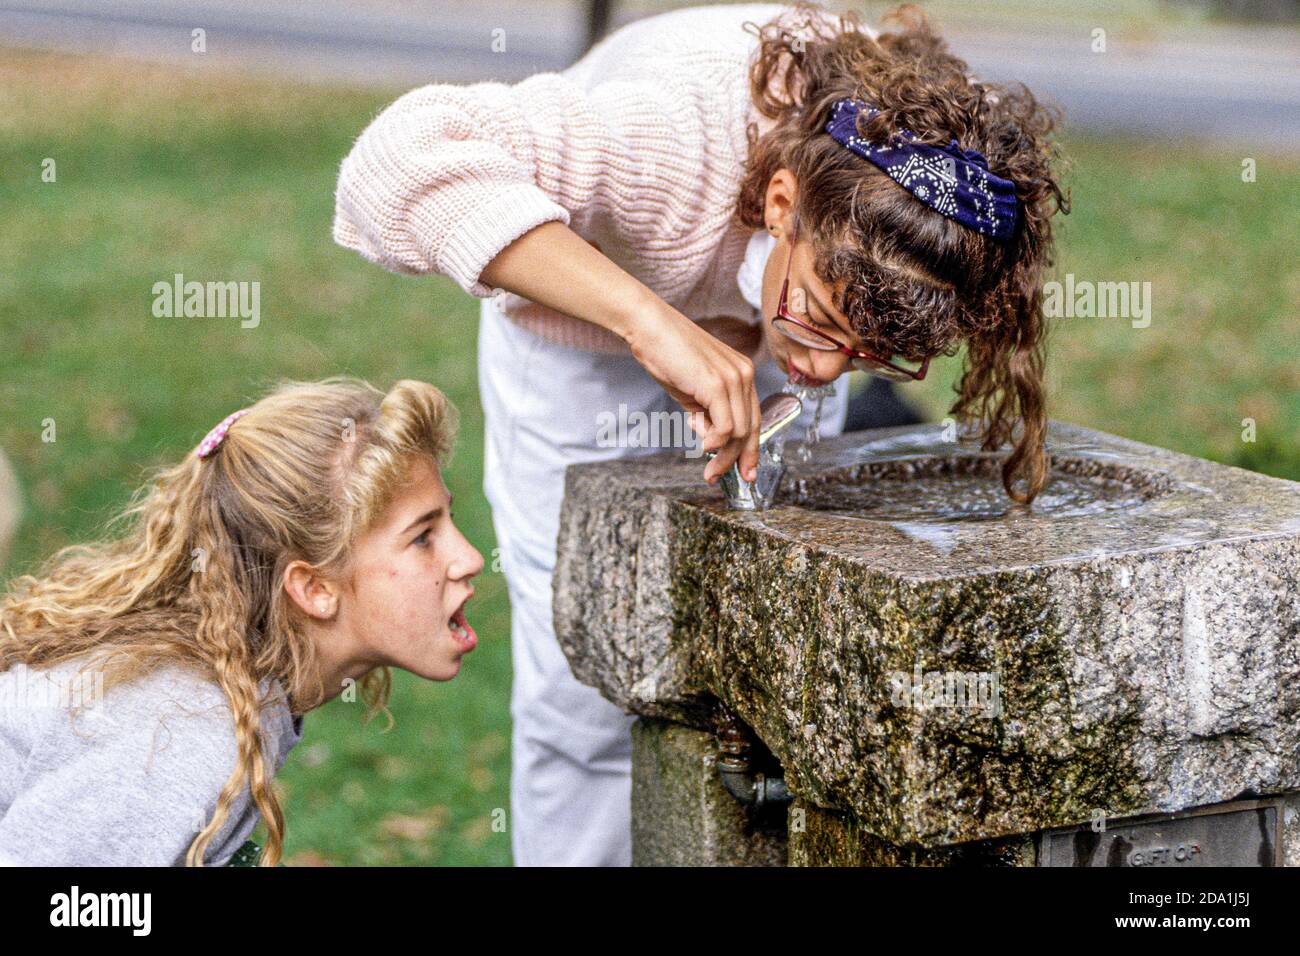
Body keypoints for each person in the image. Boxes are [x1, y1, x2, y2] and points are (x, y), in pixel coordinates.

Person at [332, 2, 1068, 865]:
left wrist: (804, 326)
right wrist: (650, 322)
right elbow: (390, 168)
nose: (832, 374)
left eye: (877, 353)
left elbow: (834, 332)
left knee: (780, 649)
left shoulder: (941, 187)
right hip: (584, 344)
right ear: (784, 202)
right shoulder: (664, 141)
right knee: (586, 690)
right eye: (827, 321)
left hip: (761, 303)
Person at [0, 378, 484, 865]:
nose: (469, 557)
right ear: (314, 589)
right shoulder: (180, 739)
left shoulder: (237, 695)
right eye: (423, 537)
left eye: (447, 521)